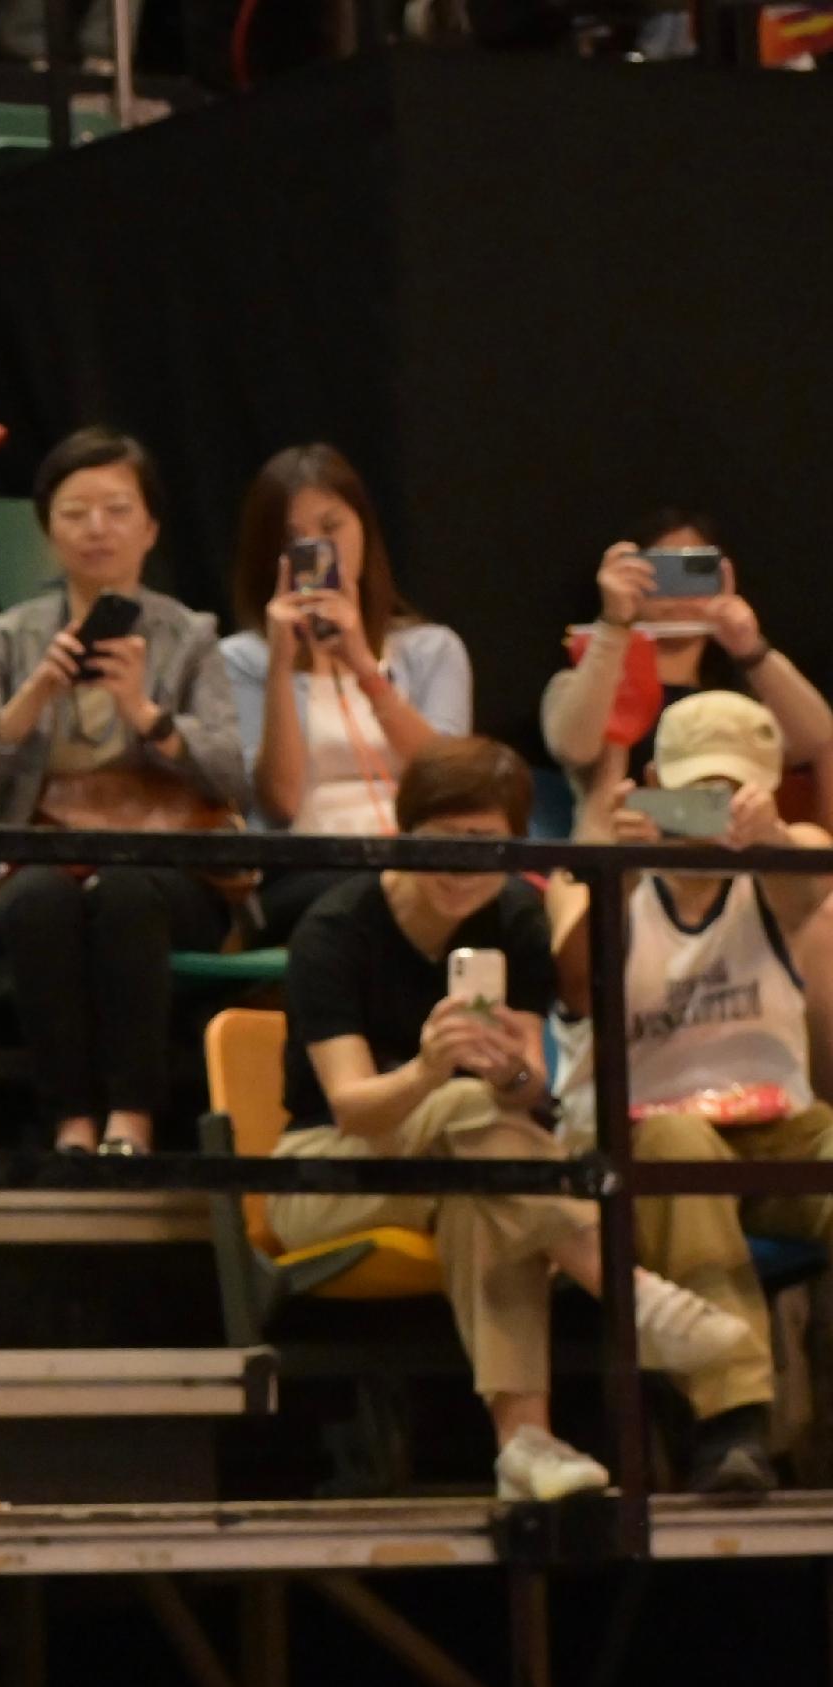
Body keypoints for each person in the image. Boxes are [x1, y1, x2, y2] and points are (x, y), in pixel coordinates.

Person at [268, 738, 760, 1506]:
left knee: (485, 1186)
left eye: (486, 847)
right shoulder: (336, 929)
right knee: (470, 1118)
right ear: (404, 832)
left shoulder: (516, 917)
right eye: (443, 844)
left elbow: (530, 1088)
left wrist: (509, 1074)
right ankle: (631, 1295)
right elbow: (352, 1107)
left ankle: (524, 1446)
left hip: (466, 1166)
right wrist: (432, 1069)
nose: (464, 868)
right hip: (330, 1169)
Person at [559, 692, 831, 1499]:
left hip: (777, 1125)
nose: (707, 814)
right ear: (653, 784)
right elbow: (576, 980)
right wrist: (615, 864)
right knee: (681, 1154)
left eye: (730, 792)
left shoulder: (786, 860)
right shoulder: (597, 875)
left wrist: (771, 837)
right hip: (644, 1130)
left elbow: (806, 882)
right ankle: (733, 1424)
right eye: (692, 792)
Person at [0, 427, 246, 1154]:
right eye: (75, 512)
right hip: (45, 847)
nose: (96, 529)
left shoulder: (191, 635)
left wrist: (147, 714)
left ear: (150, 527)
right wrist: (33, 695)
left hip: (170, 861)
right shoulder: (8, 636)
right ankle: (72, 1123)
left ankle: (134, 1120)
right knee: (43, 899)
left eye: (116, 509)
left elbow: (234, 774)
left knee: (125, 890)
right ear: (48, 530)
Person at [219, 444, 476, 941]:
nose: (316, 548)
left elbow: (454, 785)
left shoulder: (432, 650)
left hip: (420, 864)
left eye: (331, 527)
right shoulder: (240, 660)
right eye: (292, 537)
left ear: (364, 530)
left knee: (508, 901)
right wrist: (279, 663)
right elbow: (280, 803)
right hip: (299, 871)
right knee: (371, 898)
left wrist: (362, 666)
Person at [540, 512, 833, 806]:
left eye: (695, 570)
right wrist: (615, 623)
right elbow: (573, 747)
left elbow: (817, 741)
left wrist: (750, 648)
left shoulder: (743, 700)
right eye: (662, 572)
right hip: (622, 845)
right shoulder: (588, 689)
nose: (679, 593)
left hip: (727, 844)